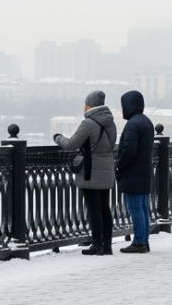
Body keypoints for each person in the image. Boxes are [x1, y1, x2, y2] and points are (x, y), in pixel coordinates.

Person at [54, 90, 118, 256]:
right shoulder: (111, 123)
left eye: (85, 104)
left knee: (94, 209)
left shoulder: (88, 123)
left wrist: (57, 137)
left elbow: (70, 144)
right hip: (106, 169)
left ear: (89, 105)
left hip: (91, 170)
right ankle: (107, 245)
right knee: (104, 208)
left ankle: (96, 245)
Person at [116, 90, 154, 253]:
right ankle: (144, 240)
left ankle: (138, 242)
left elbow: (129, 150)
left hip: (134, 172)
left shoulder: (132, 124)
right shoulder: (146, 122)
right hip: (144, 171)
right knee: (143, 207)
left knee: (135, 209)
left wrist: (119, 164)